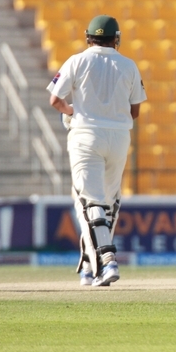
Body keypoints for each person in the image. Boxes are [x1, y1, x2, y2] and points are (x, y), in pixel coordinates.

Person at [48, 15, 147, 287]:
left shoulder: (76, 60)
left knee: (89, 202)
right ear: (116, 39)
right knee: (107, 203)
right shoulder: (128, 65)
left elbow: (55, 99)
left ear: (88, 37)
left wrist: (73, 112)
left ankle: (107, 260)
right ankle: (90, 267)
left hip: (85, 135)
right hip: (119, 137)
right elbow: (135, 111)